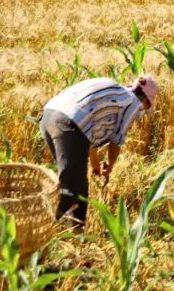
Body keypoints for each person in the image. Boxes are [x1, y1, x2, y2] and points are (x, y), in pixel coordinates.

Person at [39, 75, 159, 228]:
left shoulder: (115, 94)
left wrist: (94, 164)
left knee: (79, 183)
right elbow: (117, 138)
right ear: (146, 101)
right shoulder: (133, 102)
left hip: (50, 116)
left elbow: (89, 128)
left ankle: (76, 232)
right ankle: (40, 225)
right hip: (68, 124)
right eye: (148, 105)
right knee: (71, 187)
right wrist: (110, 165)